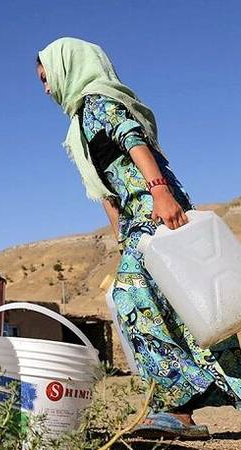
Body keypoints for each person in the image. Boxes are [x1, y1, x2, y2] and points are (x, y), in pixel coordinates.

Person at [36, 37, 241, 439]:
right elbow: (105, 190)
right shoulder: (79, 123)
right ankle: (181, 410)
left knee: (132, 299)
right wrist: (120, 237)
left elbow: (133, 140)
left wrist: (160, 193)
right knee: (182, 310)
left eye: (47, 77)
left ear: (67, 67)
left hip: (154, 208)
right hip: (137, 221)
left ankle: (175, 407)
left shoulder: (98, 102)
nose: (46, 88)